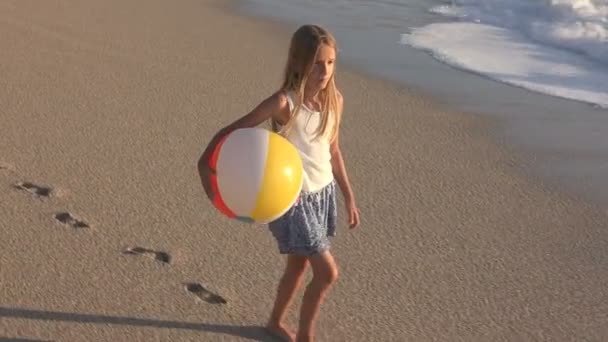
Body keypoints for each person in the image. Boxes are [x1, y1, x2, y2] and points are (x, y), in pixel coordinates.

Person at [197, 24, 360, 342]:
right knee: (327, 273)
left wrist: (349, 197)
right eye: (316, 62)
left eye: (329, 62)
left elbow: (334, 150)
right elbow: (235, 129)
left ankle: (273, 322)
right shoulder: (285, 103)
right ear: (299, 63)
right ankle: (305, 336)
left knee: (298, 268)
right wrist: (206, 164)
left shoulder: (335, 101)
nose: (324, 70)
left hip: (321, 194)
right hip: (294, 198)